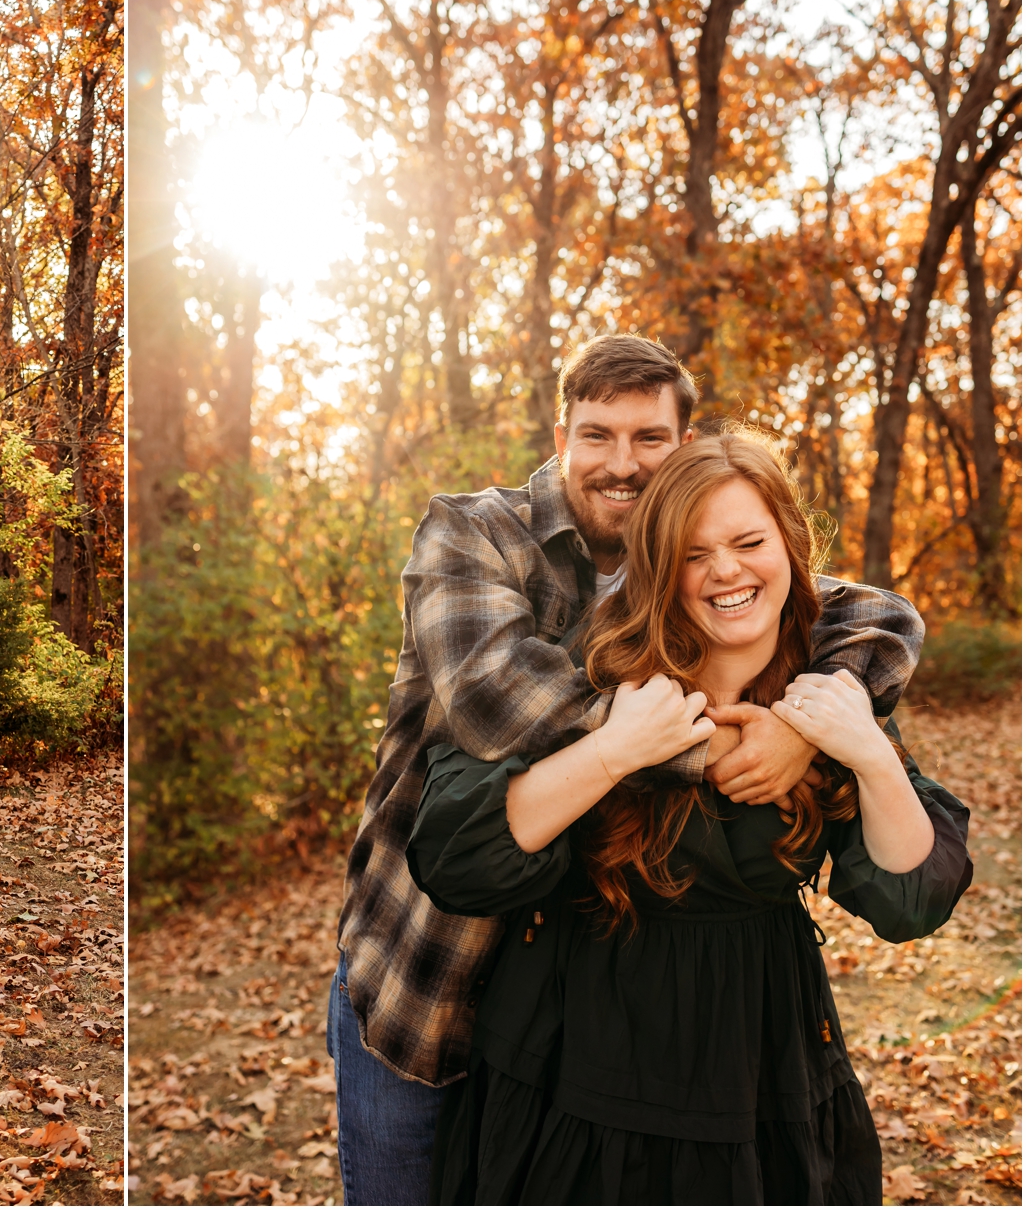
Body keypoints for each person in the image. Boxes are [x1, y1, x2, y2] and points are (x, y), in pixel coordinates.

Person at [329, 334, 927, 1204]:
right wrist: (717, 739)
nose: (622, 462)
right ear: (560, 433)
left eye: (649, 436)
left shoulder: (694, 555)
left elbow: (877, 615)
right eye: (597, 433)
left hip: (567, 998)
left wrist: (812, 724)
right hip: (432, 975)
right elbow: (498, 700)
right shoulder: (474, 532)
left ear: (683, 442)